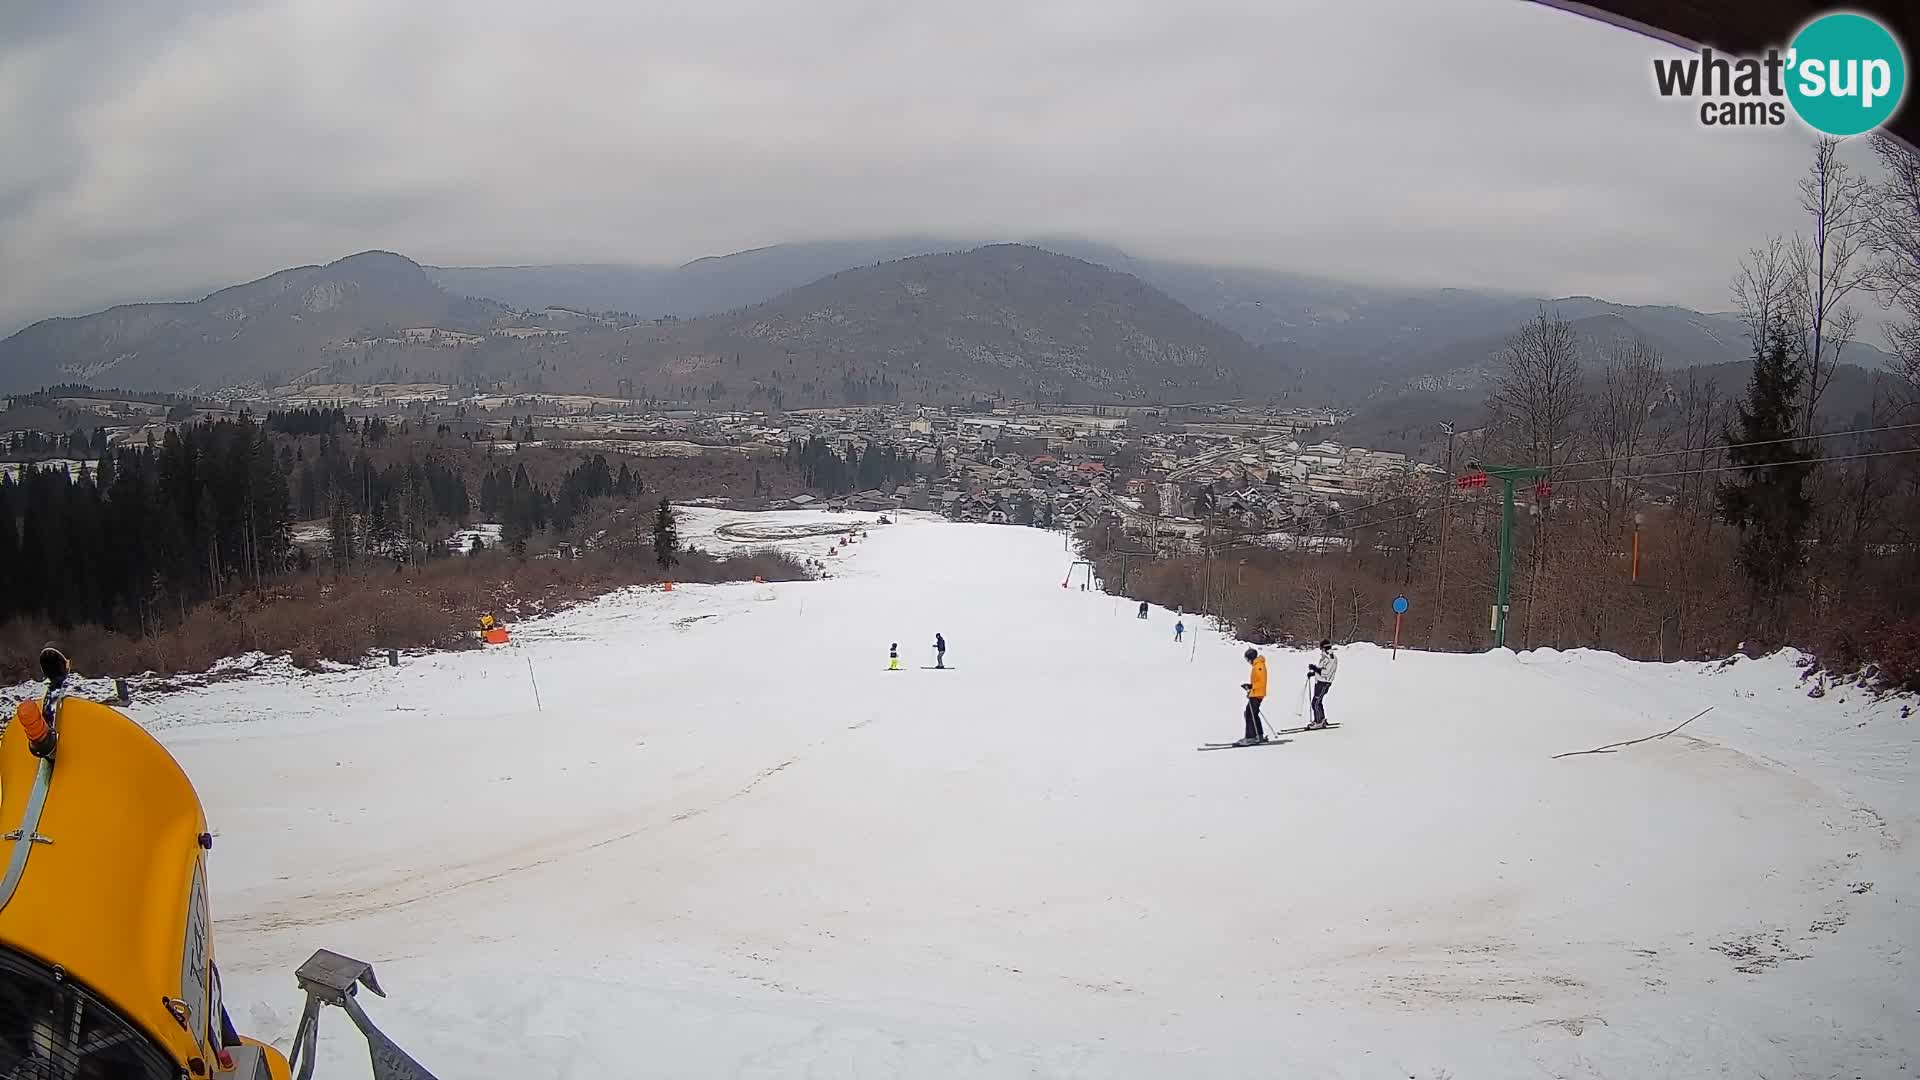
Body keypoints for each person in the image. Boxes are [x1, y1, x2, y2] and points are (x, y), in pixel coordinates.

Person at [1238, 646, 1268, 745]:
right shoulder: (1257, 665)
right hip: (1256, 692)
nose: (1247, 661)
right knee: (1252, 714)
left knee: (1249, 714)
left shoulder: (1259, 666)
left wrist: (1252, 686)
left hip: (1257, 694)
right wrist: (1250, 687)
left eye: (1247, 659)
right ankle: (1258, 735)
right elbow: (1258, 681)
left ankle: (1251, 737)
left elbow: (1261, 681)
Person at [1307, 639, 1338, 729]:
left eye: (1321, 648)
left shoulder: (1331, 658)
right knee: (1318, 701)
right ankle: (1321, 719)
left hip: (1324, 683)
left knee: (1315, 703)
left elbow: (1326, 672)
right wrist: (1314, 673)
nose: (1320, 650)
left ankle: (1318, 722)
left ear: (1324, 648)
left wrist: (1315, 669)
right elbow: (1322, 669)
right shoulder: (1325, 657)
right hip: (1320, 682)